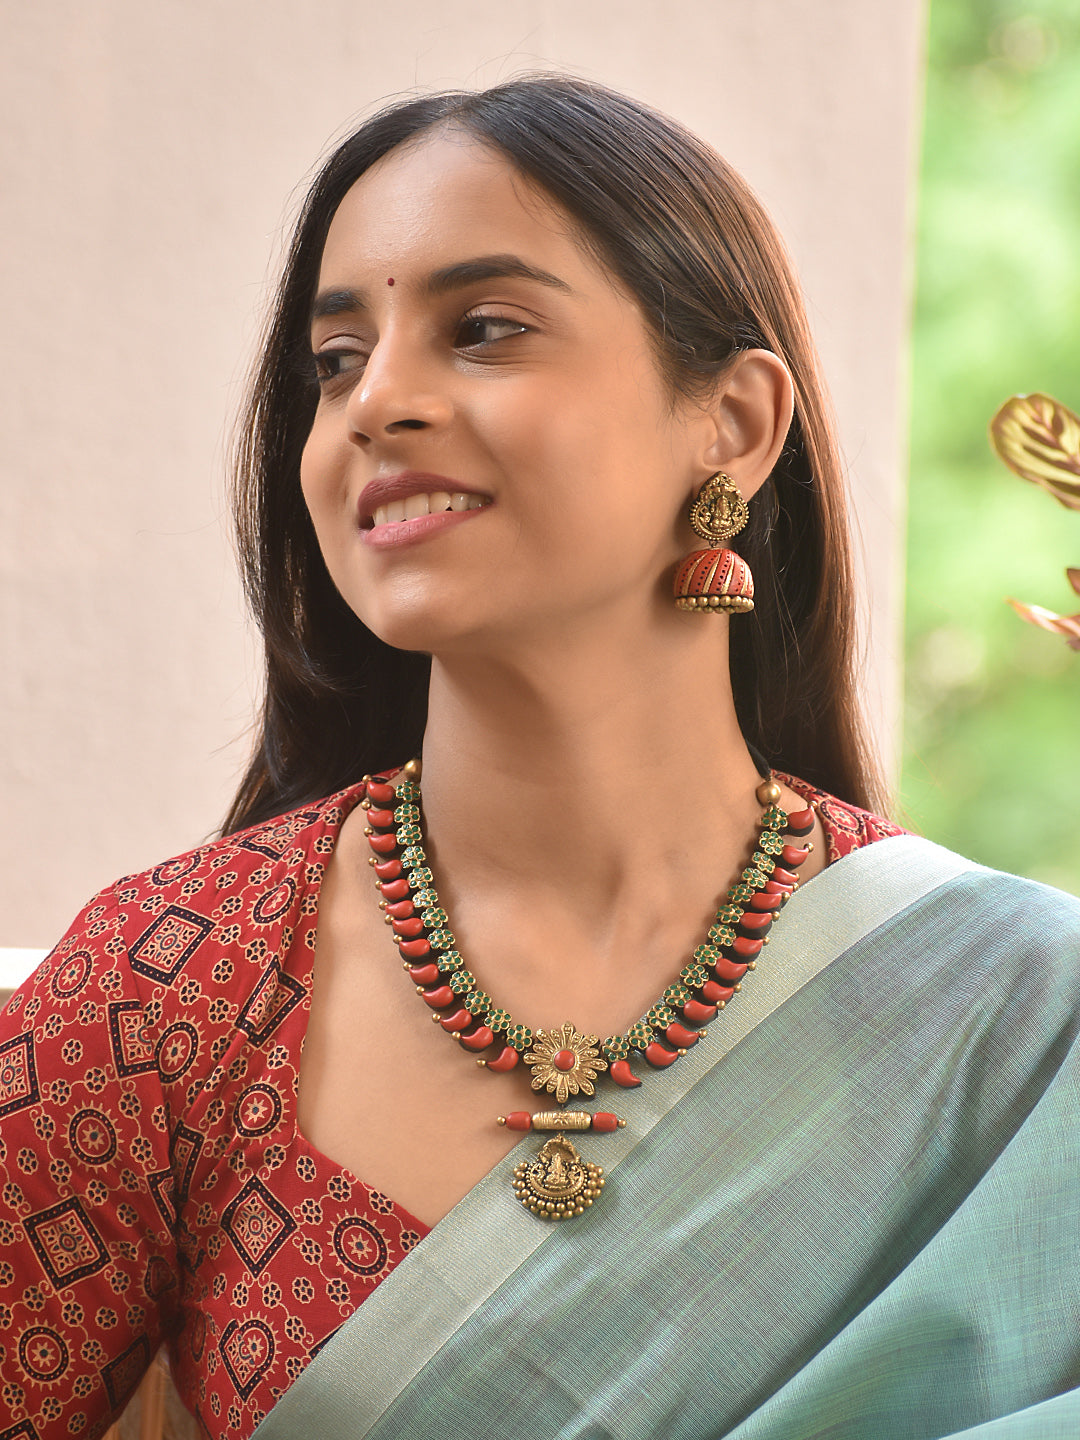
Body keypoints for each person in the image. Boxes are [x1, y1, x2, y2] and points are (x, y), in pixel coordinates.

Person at [1, 75, 1078, 1440]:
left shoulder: (1017, 1021)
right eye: (335, 362)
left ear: (735, 427)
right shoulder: (172, 990)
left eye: (485, 331)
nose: (376, 403)